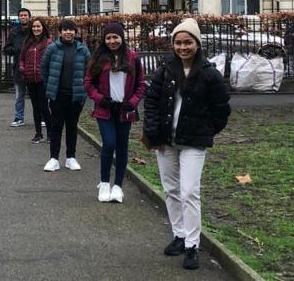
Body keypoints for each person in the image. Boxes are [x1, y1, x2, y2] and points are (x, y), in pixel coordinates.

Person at [143, 18, 231, 270]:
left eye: (187, 42)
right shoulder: (165, 70)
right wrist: (152, 130)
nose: (182, 47)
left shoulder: (209, 74)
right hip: (166, 140)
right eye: (178, 43)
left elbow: (221, 109)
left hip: (193, 141)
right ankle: (179, 235)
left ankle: (193, 244)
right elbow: (151, 101)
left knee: (189, 191)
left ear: (197, 44)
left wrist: (206, 130)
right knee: (171, 189)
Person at [84, 21, 146, 204]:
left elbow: (141, 84)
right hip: (105, 109)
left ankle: (117, 186)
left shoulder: (132, 58)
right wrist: (99, 99)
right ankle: (104, 182)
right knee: (109, 144)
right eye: (109, 38)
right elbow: (88, 83)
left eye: (115, 37)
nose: (112, 41)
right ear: (104, 39)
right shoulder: (98, 59)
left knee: (122, 147)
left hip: (125, 110)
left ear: (122, 38)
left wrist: (133, 102)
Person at [41, 19, 91, 172]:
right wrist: (49, 87)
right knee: (56, 126)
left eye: (71, 30)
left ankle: (71, 157)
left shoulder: (83, 50)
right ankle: (53, 158)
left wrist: (83, 91)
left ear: (75, 32)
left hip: (75, 95)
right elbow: (44, 69)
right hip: (57, 95)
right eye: (65, 30)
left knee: (72, 126)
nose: (68, 32)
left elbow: (89, 71)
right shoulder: (52, 48)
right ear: (60, 32)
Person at [18, 17, 51, 143]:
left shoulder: (48, 43)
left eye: (38, 26)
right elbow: (22, 58)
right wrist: (23, 69)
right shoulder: (28, 42)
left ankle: (50, 133)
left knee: (44, 106)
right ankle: (38, 133)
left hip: (43, 80)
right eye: (34, 27)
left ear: (43, 28)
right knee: (35, 107)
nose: (36, 29)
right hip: (30, 79)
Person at [3, 8, 32, 127]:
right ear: (19, 17)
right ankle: (19, 117)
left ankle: (41, 118)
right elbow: (6, 49)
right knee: (19, 95)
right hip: (18, 68)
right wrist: (16, 50)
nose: (23, 17)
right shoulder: (14, 32)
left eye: (25, 15)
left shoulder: (34, 30)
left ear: (29, 17)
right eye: (21, 15)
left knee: (36, 95)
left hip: (33, 68)